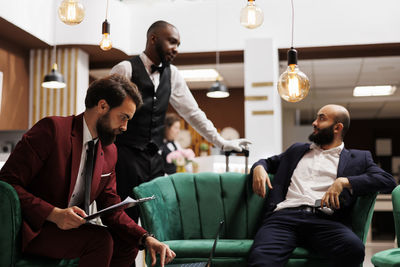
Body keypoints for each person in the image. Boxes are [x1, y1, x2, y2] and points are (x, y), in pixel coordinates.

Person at [0, 74, 175, 267]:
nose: (125, 127)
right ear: (102, 106)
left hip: (71, 231)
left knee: (127, 244)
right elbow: (7, 184)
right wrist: (54, 214)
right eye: (123, 117)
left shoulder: (110, 151)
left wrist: (145, 238)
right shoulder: (52, 130)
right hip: (34, 228)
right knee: (100, 240)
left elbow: (112, 208)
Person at [110, 20, 250, 222]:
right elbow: (105, 114)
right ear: (153, 39)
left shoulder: (172, 74)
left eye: (178, 45)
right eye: (172, 42)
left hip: (155, 162)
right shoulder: (125, 69)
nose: (176, 49)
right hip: (125, 159)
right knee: (123, 223)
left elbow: (193, 113)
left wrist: (221, 142)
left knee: (157, 221)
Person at [248, 104, 396, 267]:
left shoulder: (359, 158)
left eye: (321, 118)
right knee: (261, 261)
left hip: (326, 220)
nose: (314, 123)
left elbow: (387, 181)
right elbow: (267, 162)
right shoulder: (297, 150)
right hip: (283, 218)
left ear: (337, 127)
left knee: (353, 249)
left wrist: (344, 182)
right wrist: (259, 167)